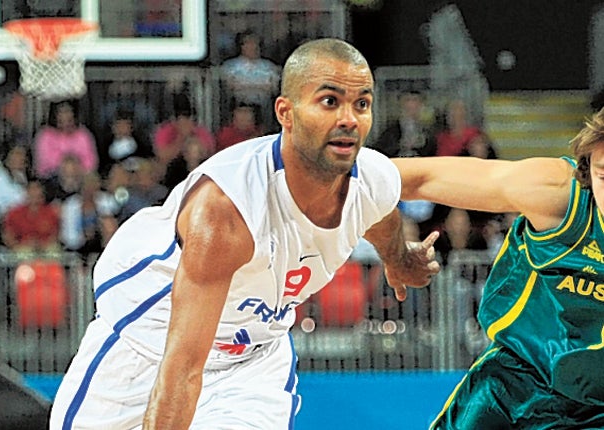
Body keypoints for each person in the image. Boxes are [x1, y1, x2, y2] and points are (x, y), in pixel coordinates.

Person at [50, 38, 440, 430]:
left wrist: (398, 257)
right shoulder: (227, 208)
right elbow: (183, 366)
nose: (349, 119)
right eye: (329, 102)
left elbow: (391, 210)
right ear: (286, 115)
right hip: (150, 338)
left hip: (251, 355)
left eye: (362, 104)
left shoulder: (366, 179)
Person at [393, 107, 604, 429]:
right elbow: (411, 178)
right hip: (515, 383)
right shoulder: (558, 193)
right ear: (589, 168)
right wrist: (390, 251)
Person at [33, 100, 98, 179]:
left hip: (80, 177)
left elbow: (91, 161)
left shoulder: (83, 134)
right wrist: (66, 164)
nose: (66, 115)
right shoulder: (45, 135)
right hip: (52, 178)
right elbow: (44, 161)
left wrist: (76, 167)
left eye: (68, 111)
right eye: (61, 111)